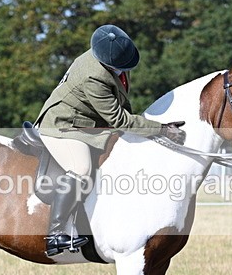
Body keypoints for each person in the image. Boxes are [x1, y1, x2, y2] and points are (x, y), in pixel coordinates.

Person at [34, 24, 186, 257]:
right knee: (81, 168)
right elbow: (117, 118)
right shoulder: (94, 76)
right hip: (63, 125)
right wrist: (160, 129)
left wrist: (141, 130)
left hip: (89, 123)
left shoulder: (112, 56)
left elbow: (122, 104)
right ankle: (55, 235)